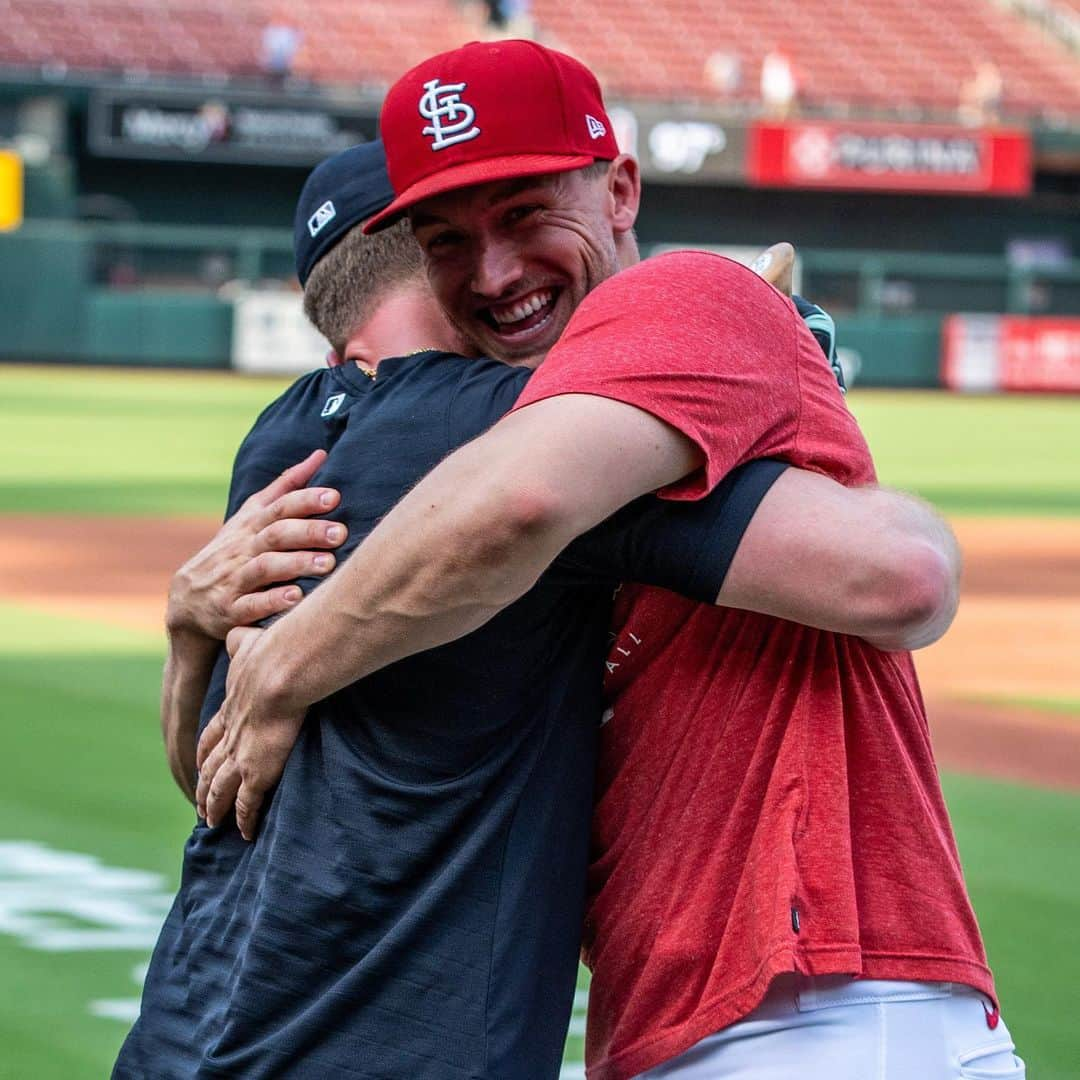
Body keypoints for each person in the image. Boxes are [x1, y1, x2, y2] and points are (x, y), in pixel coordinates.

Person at [201, 40, 1022, 1080]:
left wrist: (283, 664)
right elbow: (243, 793)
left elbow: (902, 574)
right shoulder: (535, 420)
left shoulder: (673, 298)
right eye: (449, 239)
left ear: (620, 187)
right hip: (684, 1012)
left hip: (822, 1000)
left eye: (527, 215)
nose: (494, 273)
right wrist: (195, 627)